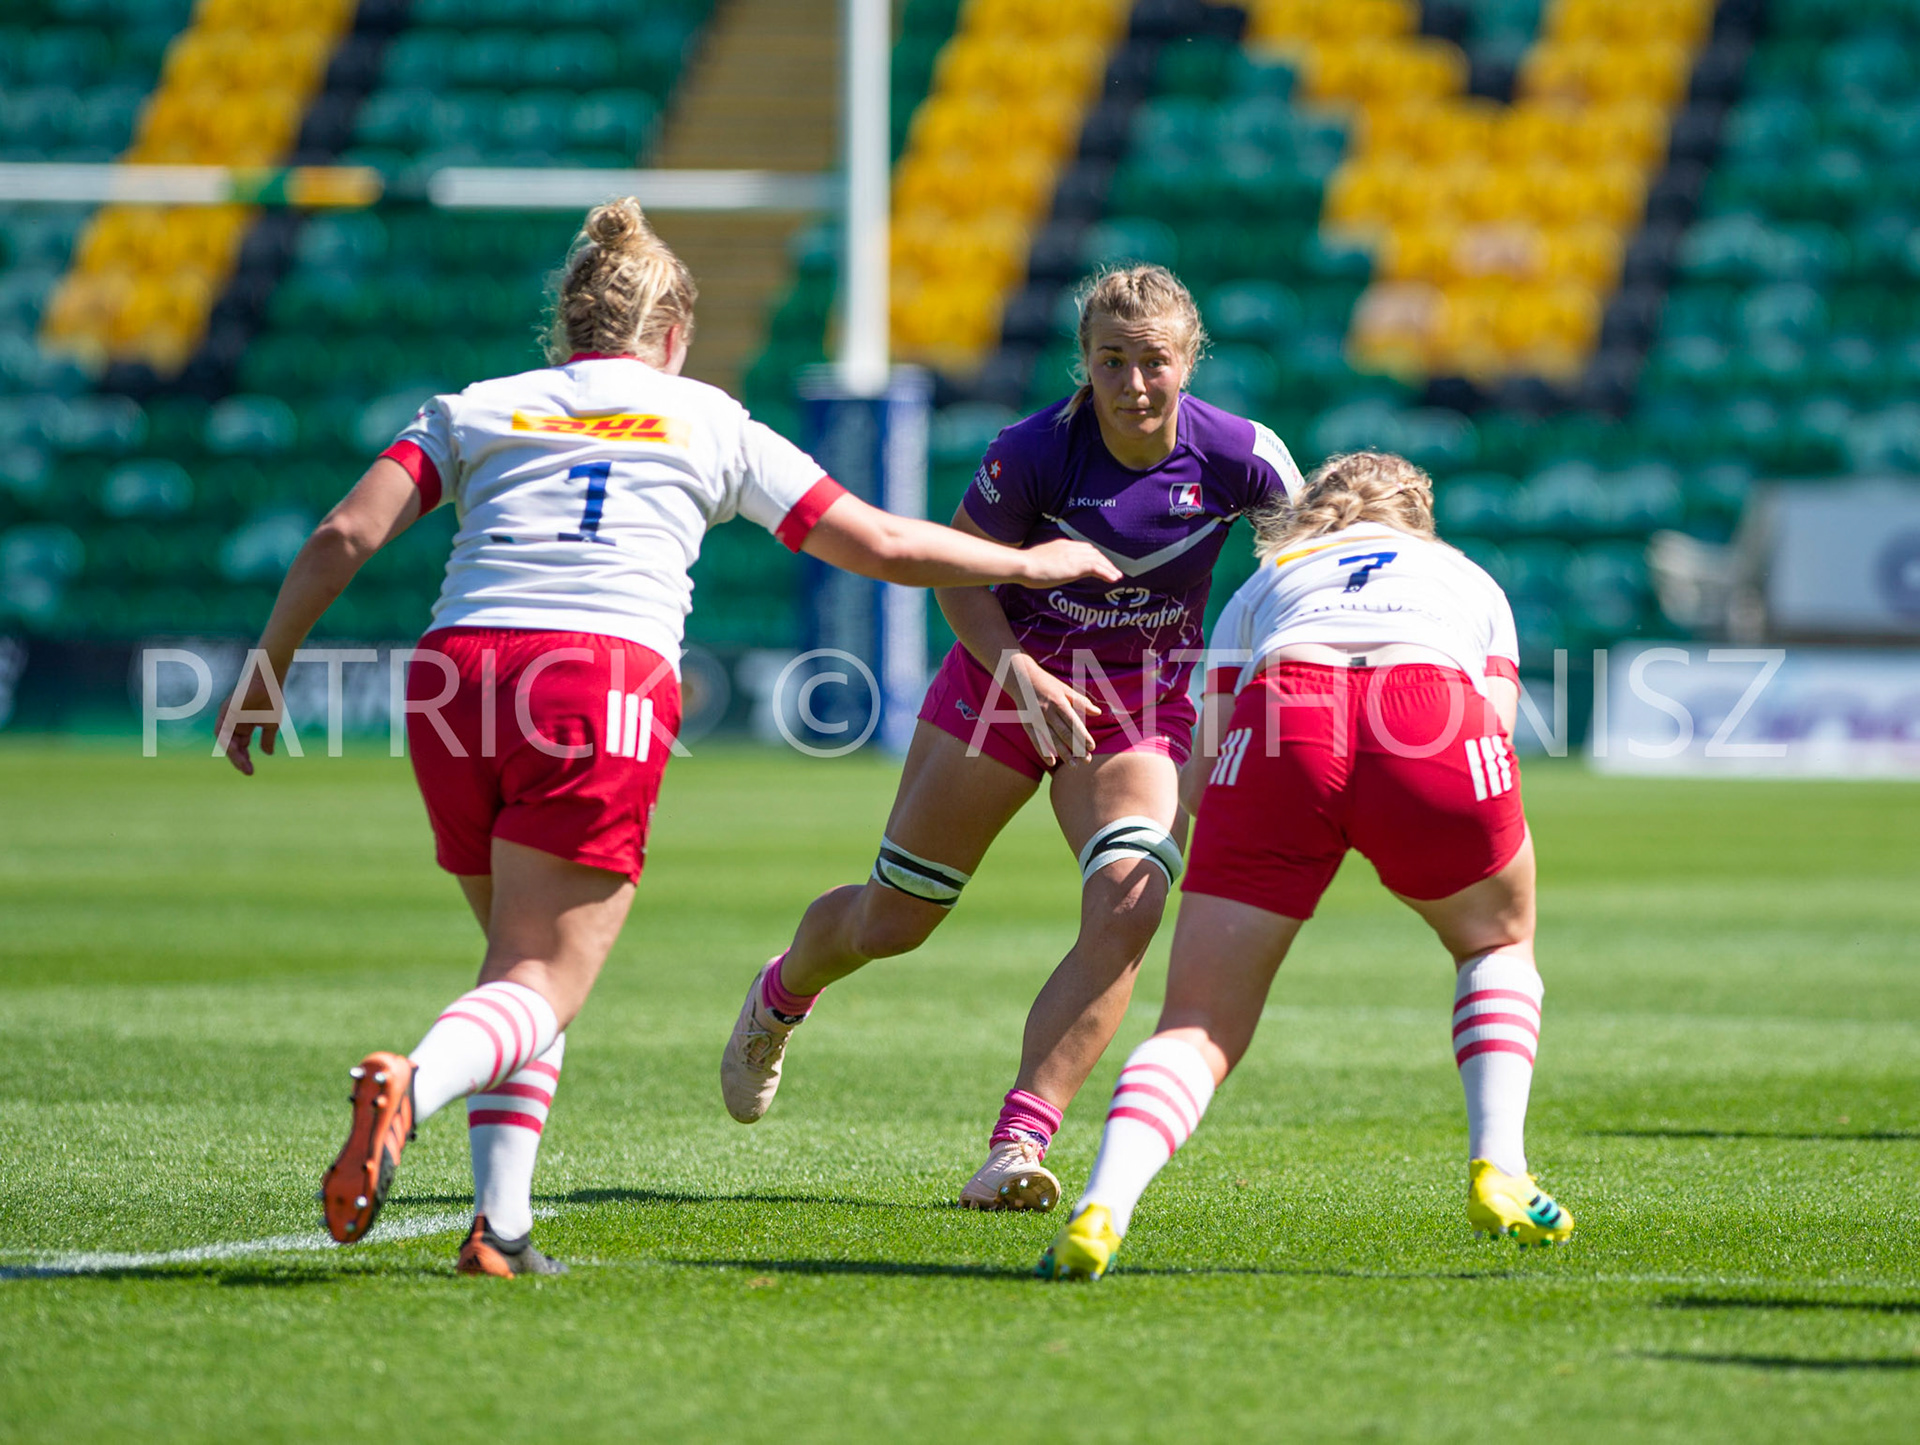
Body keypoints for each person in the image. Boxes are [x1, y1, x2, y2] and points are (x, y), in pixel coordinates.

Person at [214, 198, 1117, 1277]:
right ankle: (411, 1081)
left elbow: (344, 532)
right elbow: (875, 541)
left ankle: (499, 1229)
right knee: (544, 976)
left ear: (568, 322)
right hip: (595, 677)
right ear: (676, 332)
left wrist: (266, 667)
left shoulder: (476, 406)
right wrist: (1026, 565)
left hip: (454, 674)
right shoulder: (707, 418)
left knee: (517, 966)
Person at [720, 264, 1305, 1211]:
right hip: (1001, 688)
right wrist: (1019, 674)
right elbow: (957, 581)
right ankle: (780, 995)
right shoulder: (1034, 450)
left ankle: (1016, 1144)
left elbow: (1300, 569)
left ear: (1189, 361)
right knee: (893, 920)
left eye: (1153, 361)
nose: (1133, 384)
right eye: (1110, 361)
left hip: (1137, 708)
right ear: (1083, 363)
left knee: (1130, 901)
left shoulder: (1244, 456)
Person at [1036, 449, 1575, 1280]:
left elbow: (1206, 766)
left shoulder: (1266, 582)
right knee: (1496, 945)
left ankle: (1104, 1203)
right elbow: (1492, 727)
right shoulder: (1464, 576)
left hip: (1287, 711)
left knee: (1198, 1024)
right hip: (1431, 711)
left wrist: (1253, 860)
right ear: (1416, 518)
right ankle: (1499, 1165)